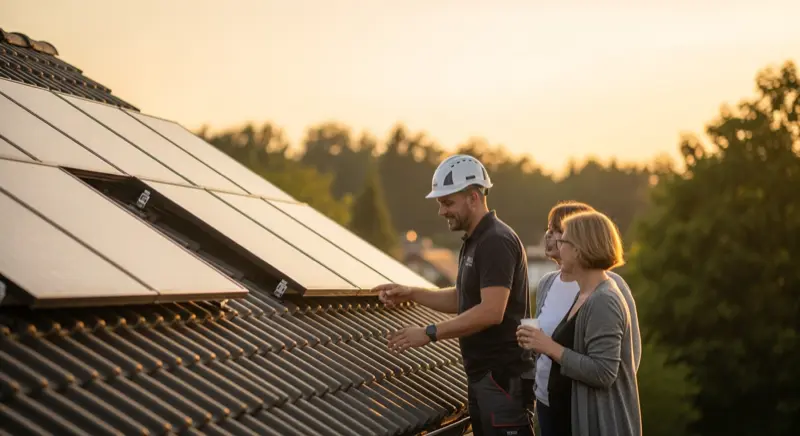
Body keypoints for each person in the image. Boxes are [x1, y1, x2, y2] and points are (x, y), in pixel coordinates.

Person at [374, 154, 534, 436]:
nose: (441, 211)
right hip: (485, 379)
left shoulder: (496, 241)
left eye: (447, 202)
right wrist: (413, 293)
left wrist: (430, 332)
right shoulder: (474, 241)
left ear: (473, 197)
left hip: (502, 381)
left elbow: (491, 311)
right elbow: (463, 298)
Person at [517, 211, 642, 436]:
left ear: (579, 249)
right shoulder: (585, 293)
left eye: (563, 240)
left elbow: (604, 372)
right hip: (563, 414)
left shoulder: (604, 299)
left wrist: (548, 346)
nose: (557, 246)